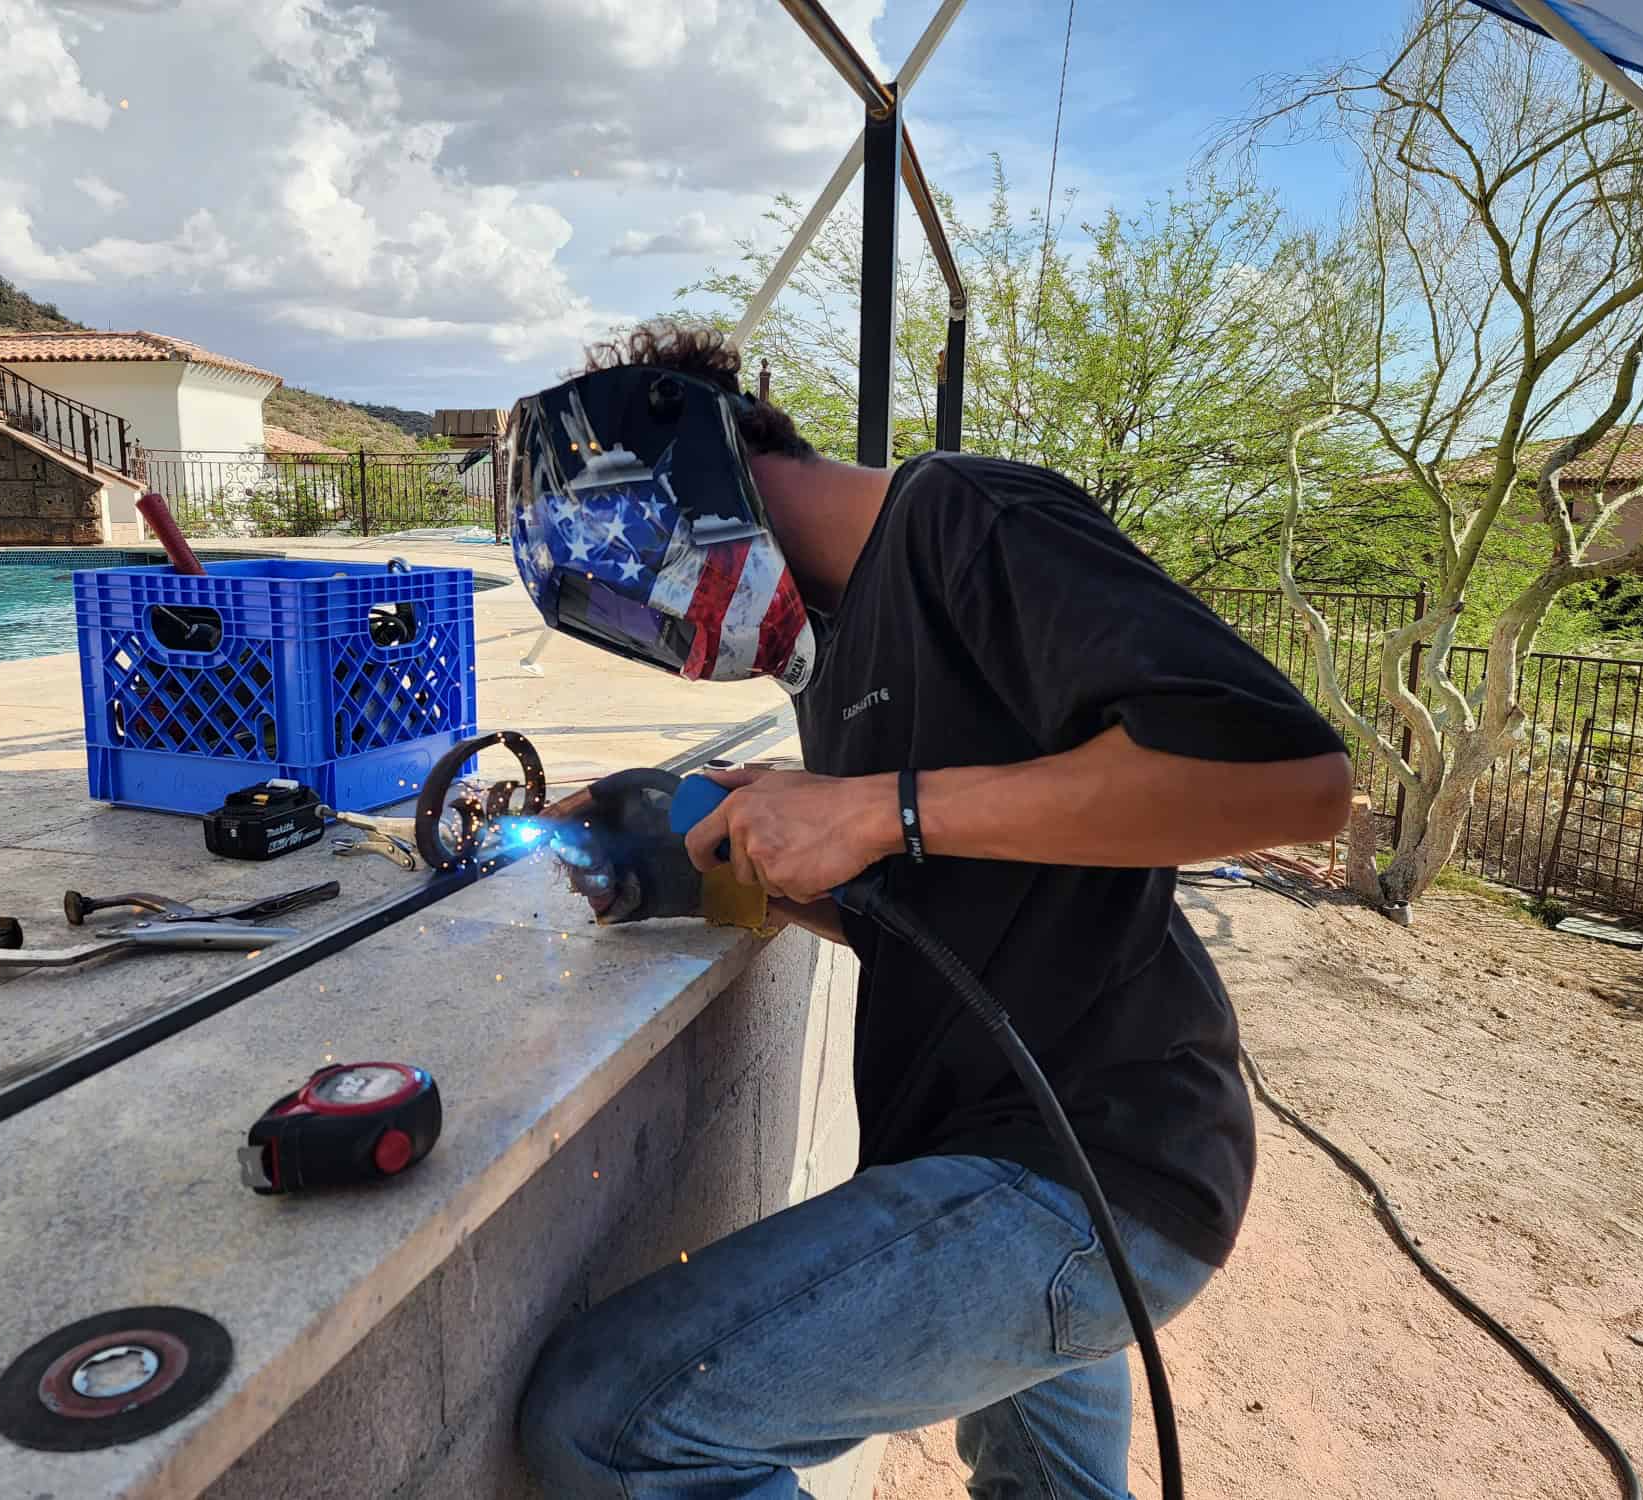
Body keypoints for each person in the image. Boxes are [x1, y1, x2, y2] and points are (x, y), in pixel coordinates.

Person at [505, 321, 1353, 1500]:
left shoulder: (963, 516)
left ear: (692, 478)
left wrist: (880, 808)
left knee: (615, 1420)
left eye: (637, 574)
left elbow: (1292, 781)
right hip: (1002, 1149)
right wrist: (712, 865)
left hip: (1089, 1162)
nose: (668, 632)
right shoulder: (829, 647)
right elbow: (933, 914)